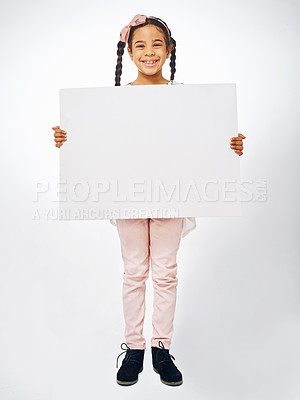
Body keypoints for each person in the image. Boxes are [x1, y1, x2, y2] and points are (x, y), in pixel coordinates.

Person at [52, 14, 246, 387]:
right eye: (140, 44)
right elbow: (95, 145)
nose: (149, 51)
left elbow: (205, 143)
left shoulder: (188, 99)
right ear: (129, 50)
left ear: (169, 49)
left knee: (166, 271)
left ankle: (160, 346)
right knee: (134, 270)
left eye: (157, 44)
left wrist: (229, 146)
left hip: (171, 195)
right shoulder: (113, 102)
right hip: (128, 196)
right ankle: (135, 348)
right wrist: (69, 140)